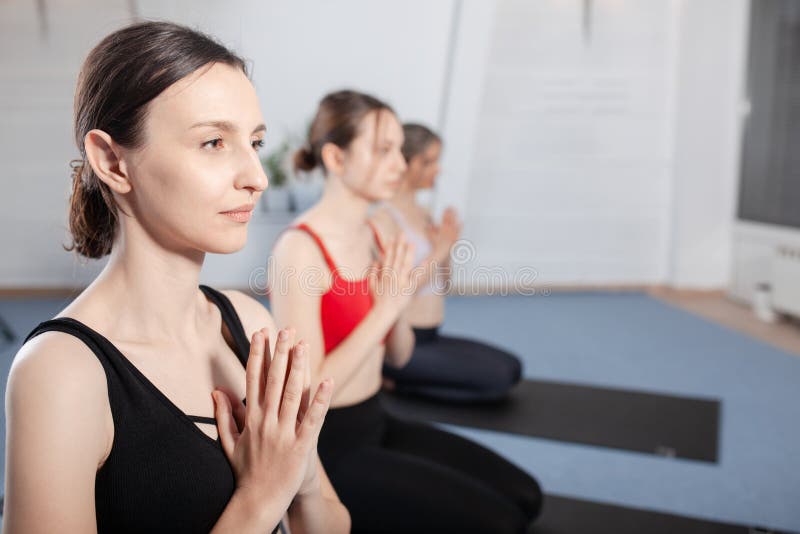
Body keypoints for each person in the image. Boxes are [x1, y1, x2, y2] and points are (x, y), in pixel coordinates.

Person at [3, 21, 350, 534]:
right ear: (112, 160)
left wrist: (304, 485)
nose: (257, 176)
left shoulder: (248, 323)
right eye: (213, 142)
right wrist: (259, 499)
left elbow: (331, 525)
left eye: (254, 142)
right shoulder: (61, 373)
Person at [269, 90, 543, 533]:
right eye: (383, 149)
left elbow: (399, 355)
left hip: (377, 419)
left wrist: (391, 307)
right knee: (502, 523)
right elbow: (308, 393)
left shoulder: (375, 233)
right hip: (330, 448)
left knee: (527, 496)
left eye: (399, 148)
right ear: (336, 158)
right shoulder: (299, 251)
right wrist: (388, 306)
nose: (399, 163)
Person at [370, 123, 523, 402]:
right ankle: (393, 381)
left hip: (432, 335)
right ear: (405, 163)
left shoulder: (423, 212)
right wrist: (439, 249)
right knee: (498, 379)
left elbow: (443, 284)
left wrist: (447, 248)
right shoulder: (383, 219)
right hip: (404, 342)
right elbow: (396, 293)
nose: (437, 169)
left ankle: (403, 377)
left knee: (513, 367)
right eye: (428, 162)